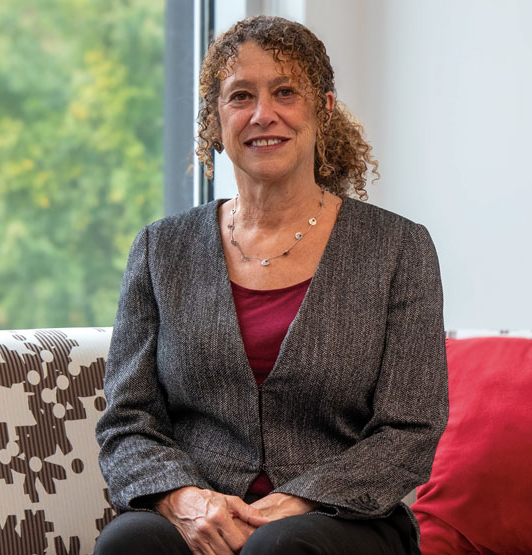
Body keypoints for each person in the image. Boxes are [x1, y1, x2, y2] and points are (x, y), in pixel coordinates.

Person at [94, 15, 448, 555]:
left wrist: (295, 501)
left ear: (323, 109)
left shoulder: (399, 248)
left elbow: (411, 428)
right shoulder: (159, 250)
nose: (264, 114)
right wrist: (186, 500)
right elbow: (127, 421)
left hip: (343, 520)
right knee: (130, 543)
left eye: (286, 92)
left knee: (279, 549)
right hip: (203, 515)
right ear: (215, 119)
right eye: (241, 96)